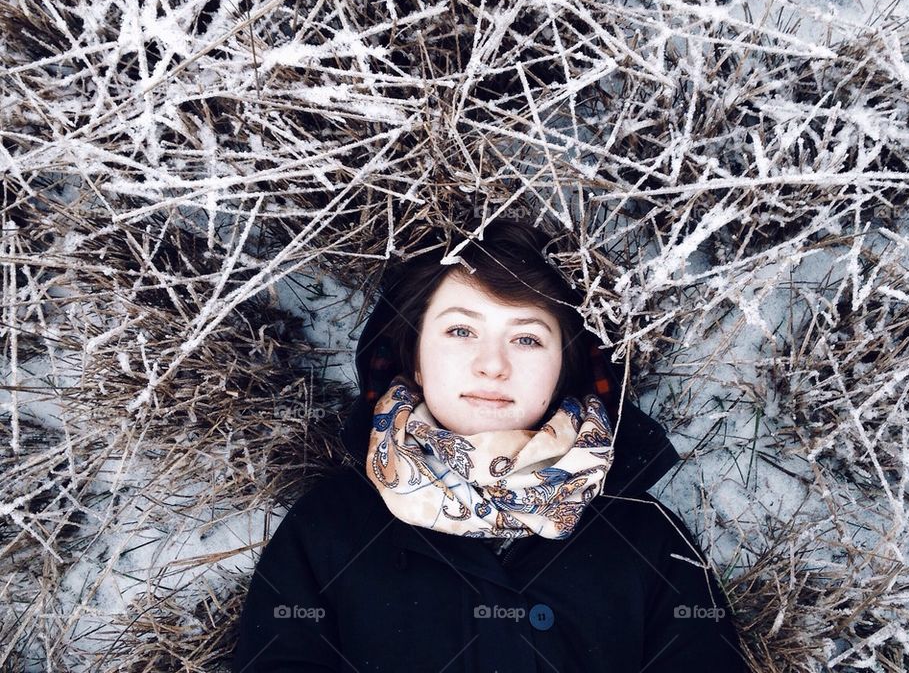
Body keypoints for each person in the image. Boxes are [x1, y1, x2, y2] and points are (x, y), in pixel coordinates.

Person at [232, 219, 747, 672]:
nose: (492, 364)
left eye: (526, 339)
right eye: (460, 330)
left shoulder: (644, 533)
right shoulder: (331, 525)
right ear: (414, 358)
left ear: (563, 369)